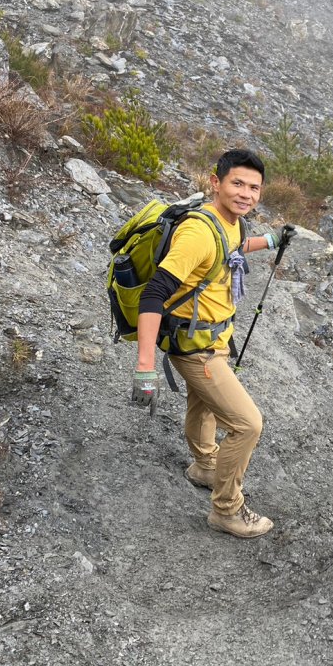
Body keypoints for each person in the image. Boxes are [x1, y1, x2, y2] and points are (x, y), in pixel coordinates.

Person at [130, 148, 280, 538]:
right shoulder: (198, 230)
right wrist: (145, 367)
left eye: (254, 187)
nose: (246, 194)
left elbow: (228, 250)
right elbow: (154, 294)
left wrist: (270, 239)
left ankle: (204, 466)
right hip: (194, 346)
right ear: (216, 183)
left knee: (206, 407)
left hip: (211, 339)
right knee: (247, 425)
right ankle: (227, 510)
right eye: (237, 184)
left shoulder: (229, 222)